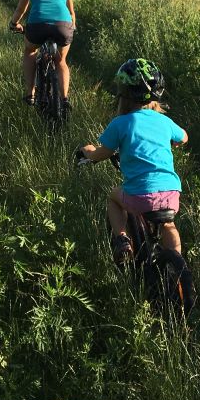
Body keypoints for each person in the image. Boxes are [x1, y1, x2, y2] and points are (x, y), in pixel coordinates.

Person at [79, 58, 188, 264]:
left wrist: (89, 154)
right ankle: (177, 265)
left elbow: (104, 152)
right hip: (171, 194)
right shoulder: (164, 121)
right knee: (169, 225)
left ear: (123, 94)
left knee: (113, 198)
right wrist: (172, 142)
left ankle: (122, 239)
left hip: (139, 196)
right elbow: (183, 137)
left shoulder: (121, 123)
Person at [9, 0, 76, 107]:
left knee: (30, 51)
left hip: (37, 25)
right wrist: (72, 27)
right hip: (63, 26)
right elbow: (72, 12)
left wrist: (14, 24)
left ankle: (30, 93)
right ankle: (65, 99)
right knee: (61, 61)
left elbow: (21, 9)